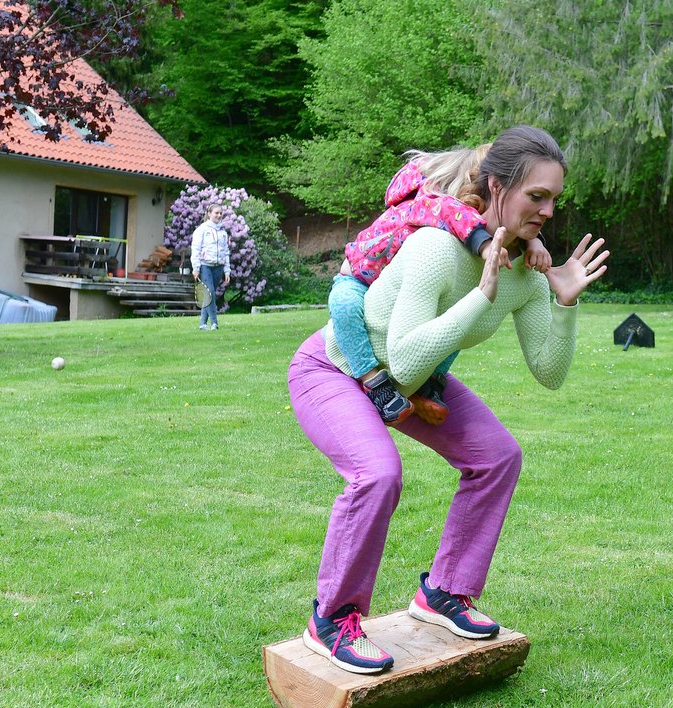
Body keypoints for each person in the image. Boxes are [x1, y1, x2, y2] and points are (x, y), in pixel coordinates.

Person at [287, 125, 609, 675]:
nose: (549, 210)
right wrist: (480, 296)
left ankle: (445, 593)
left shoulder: (526, 278)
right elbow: (407, 359)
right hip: (336, 370)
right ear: (495, 187)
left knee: (497, 456)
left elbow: (549, 373)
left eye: (555, 199)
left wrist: (565, 304)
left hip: (413, 386)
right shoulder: (434, 247)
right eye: (537, 196)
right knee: (378, 473)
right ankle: (333, 618)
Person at [332, 145, 551, 426]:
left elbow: (505, 222)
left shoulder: (452, 217)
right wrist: (488, 247)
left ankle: (430, 382)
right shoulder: (433, 203)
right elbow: (463, 218)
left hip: (394, 286)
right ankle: (373, 381)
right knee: (344, 308)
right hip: (357, 280)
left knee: (455, 310)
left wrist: (533, 240)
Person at [190, 204, 231, 330]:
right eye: (216, 213)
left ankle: (203, 324)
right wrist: (196, 268)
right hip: (205, 266)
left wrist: (227, 271)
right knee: (210, 293)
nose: (219, 215)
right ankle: (214, 323)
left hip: (218, 267)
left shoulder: (223, 232)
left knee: (209, 295)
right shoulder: (201, 230)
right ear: (209, 213)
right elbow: (195, 249)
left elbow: (226, 252)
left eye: (220, 213)